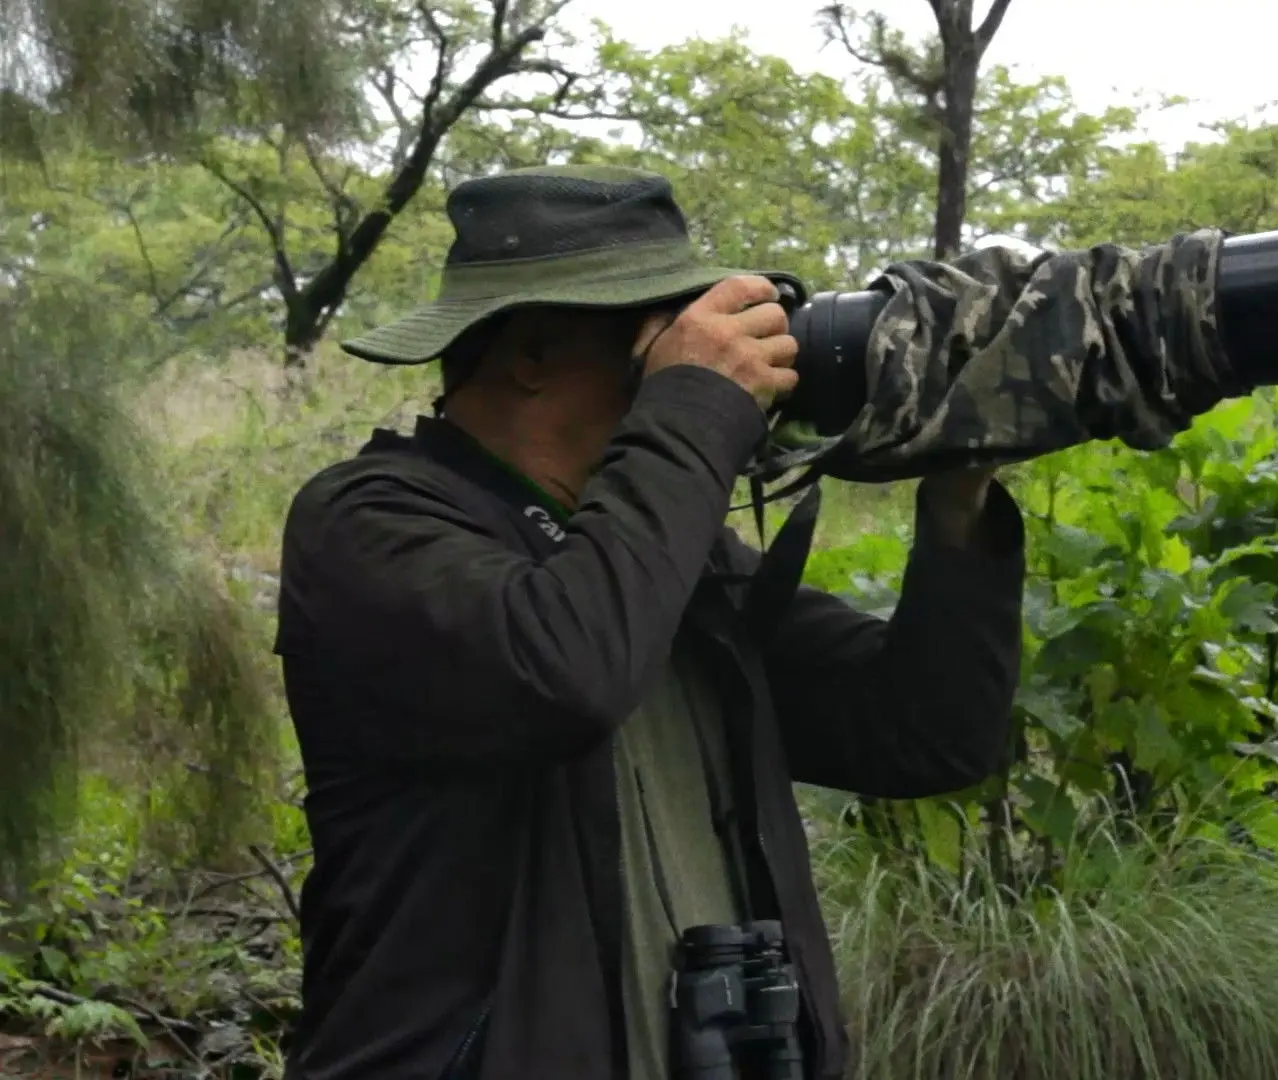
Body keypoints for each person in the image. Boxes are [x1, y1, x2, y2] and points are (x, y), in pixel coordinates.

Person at [273, 165, 1027, 1080]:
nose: (716, 370)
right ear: (533, 353)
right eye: (669, 338)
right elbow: (564, 672)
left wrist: (959, 500)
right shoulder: (368, 525)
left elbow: (921, 735)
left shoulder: (669, 554)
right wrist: (695, 410)